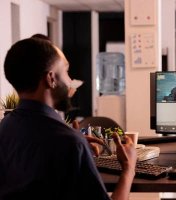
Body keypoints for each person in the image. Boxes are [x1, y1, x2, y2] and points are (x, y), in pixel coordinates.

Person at [0, 38, 137, 200]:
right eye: (65, 71)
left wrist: (75, 147)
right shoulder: (70, 142)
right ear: (51, 78)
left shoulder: (4, 127)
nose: (70, 81)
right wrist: (129, 169)